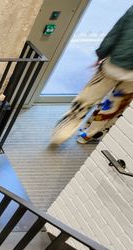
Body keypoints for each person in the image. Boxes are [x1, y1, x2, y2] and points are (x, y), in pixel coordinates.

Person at [51, 6, 133, 145]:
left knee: (86, 99)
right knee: (113, 105)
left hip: (113, 65)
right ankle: (89, 135)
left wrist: (101, 54)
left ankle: (63, 131)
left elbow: (115, 33)